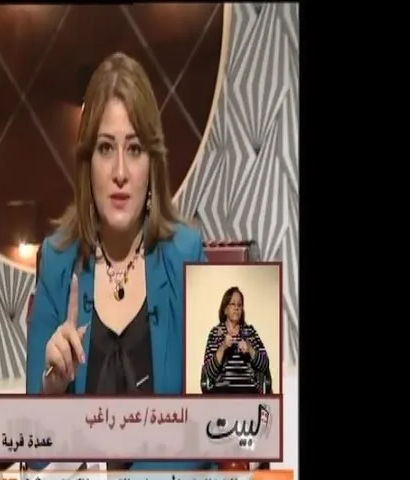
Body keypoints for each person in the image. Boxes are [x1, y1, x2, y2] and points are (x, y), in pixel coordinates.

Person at [26, 52, 212, 471]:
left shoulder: (186, 257)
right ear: (87, 163)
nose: (121, 172)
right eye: (106, 148)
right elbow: (35, 452)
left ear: (152, 164)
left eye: (135, 148)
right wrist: (53, 391)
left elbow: (212, 433)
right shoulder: (57, 263)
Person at [200, 287, 270, 394]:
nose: (237, 307)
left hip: (248, 389)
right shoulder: (216, 333)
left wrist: (250, 349)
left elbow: (265, 365)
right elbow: (209, 373)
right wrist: (223, 348)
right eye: (233, 304)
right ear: (225, 309)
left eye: (239, 305)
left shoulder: (250, 332)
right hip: (222, 390)